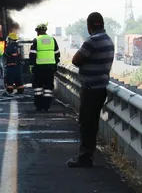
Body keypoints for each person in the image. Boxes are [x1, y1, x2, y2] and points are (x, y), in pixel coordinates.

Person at [69, 12, 114, 167]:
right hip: (101, 87)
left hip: (91, 88)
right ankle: (87, 155)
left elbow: (75, 60)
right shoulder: (108, 40)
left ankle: (85, 158)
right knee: (91, 122)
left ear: (89, 26)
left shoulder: (92, 41)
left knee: (87, 123)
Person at [28, 23, 60, 111]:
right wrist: (55, 64)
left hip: (39, 68)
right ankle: (46, 106)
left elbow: (32, 55)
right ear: (45, 30)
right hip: (50, 68)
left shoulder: (36, 40)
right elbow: (57, 54)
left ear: (38, 31)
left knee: (38, 87)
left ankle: (38, 106)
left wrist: (32, 66)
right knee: (48, 87)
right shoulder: (52, 39)